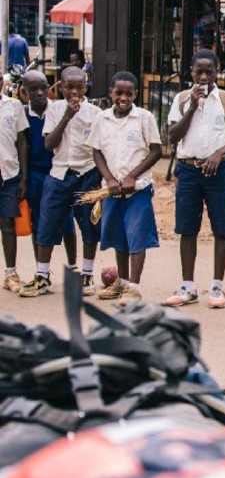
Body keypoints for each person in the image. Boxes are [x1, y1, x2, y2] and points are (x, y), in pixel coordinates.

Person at [164, 49, 225, 309]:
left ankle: (217, 286)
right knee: (187, 229)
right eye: (199, 71)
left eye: (209, 72)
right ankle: (188, 286)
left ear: (216, 72)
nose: (203, 76)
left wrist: (219, 153)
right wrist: (192, 107)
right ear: (191, 71)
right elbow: (173, 136)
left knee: (221, 229)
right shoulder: (181, 99)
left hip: (217, 171)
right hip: (188, 170)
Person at [20, 66, 102, 298]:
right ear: (61, 87)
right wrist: (67, 116)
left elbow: (98, 147)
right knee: (46, 224)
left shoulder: (95, 113)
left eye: (79, 87)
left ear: (85, 87)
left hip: (87, 172)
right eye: (69, 87)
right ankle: (42, 275)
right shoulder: (54, 109)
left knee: (89, 225)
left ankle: (86, 274)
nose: (74, 92)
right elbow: (49, 145)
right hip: (59, 174)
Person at [86, 71, 162, 304]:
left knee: (136, 235)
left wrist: (131, 176)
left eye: (129, 93)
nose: (123, 98)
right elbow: (96, 151)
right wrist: (109, 179)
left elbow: (156, 150)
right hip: (112, 190)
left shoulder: (144, 118)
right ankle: (122, 282)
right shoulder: (102, 119)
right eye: (118, 92)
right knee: (119, 237)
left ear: (135, 95)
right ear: (110, 92)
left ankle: (134, 287)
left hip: (137, 189)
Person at [19, 71, 81, 275]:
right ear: (23, 92)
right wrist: (25, 179)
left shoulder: (58, 110)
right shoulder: (24, 115)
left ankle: (73, 266)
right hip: (35, 174)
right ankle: (41, 270)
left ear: (50, 88)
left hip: (58, 171)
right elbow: (23, 147)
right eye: (33, 89)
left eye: (43, 88)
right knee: (38, 220)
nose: (39, 93)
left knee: (66, 219)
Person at [0, 93, 28, 292]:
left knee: (8, 224)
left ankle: (11, 274)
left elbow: (21, 141)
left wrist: (23, 177)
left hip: (9, 174)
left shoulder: (14, 105)